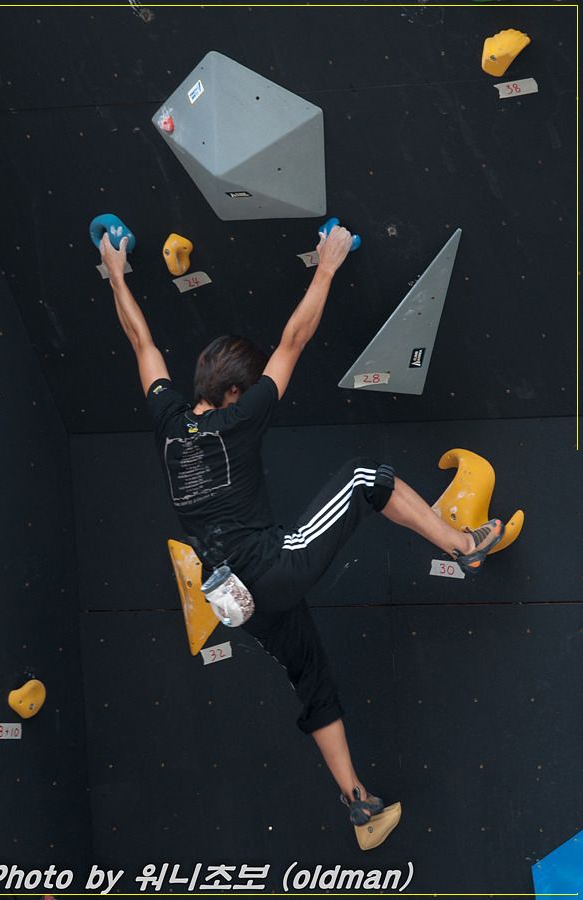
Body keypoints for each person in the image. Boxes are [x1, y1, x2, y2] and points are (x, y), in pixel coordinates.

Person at [99, 226, 504, 845]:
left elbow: (141, 342)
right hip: (270, 567)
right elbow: (294, 339)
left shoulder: (167, 423)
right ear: (234, 392)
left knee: (311, 676)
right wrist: (328, 266)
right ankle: (464, 546)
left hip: (236, 599)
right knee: (366, 478)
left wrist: (116, 274)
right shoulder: (242, 416)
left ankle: (360, 807)